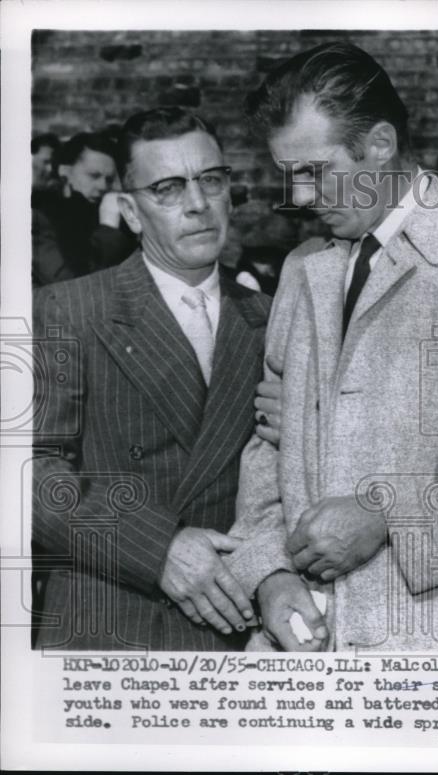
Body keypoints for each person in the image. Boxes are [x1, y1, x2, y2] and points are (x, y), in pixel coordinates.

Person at [224, 42, 438, 652]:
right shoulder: (305, 268)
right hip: (302, 644)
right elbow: (267, 452)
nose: (302, 198)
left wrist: (388, 516)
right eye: (290, 175)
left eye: (316, 171)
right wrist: (269, 575)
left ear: (381, 143)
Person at [33, 107, 271, 650]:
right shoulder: (69, 310)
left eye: (211, 180)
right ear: (132, 213)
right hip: (109, 627)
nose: (197, 204)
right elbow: (28, 475)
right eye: (167, 188)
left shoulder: (273, 318)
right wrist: (157, 547)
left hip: (235, 634)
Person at [32, 131, 135, 286]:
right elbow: (71, 286)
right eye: (94, 175)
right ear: (64, 171)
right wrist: (108, 227)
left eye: (108, 179)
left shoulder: (96, 211)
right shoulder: (39, 216)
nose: (102, 186)